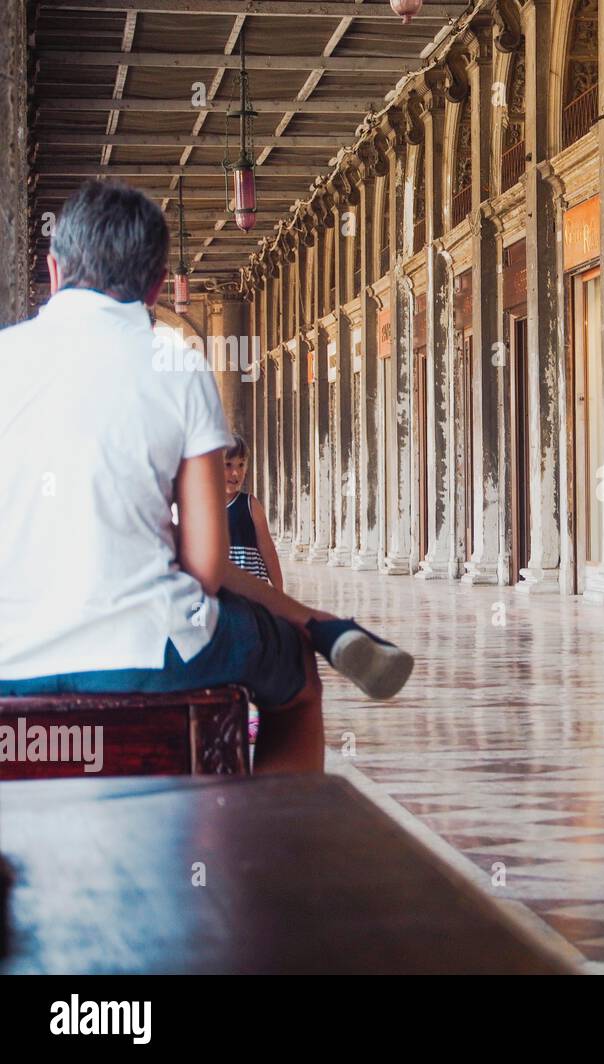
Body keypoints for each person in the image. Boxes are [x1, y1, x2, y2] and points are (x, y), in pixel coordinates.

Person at [0, 181, 413, 773]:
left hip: (9, 661)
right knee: (296, 678)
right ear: (156, 283)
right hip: (148, 652)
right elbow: (209, 566)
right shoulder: (179, 367)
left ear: (54, 268)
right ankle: (260, 849)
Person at [224, 434, 282, 590]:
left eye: (241, 465)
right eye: (228, 465)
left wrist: (279, 593)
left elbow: (268, 551)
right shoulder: (205, 507)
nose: (235, 473)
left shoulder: (250, 505)